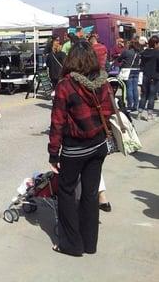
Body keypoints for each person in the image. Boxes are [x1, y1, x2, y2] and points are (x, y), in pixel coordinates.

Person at [48, 41, 115, 256]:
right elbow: (108, 112)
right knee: (90, 192)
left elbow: (57, 121)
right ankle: (89, 243)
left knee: (66, 191)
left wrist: (53, 152)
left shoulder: (66, 85)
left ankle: (71, 244)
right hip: (98, 145)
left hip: (75, 148)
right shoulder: (103, 81)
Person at [138, 35, 159, 120]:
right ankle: (149, 114)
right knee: (151, 95)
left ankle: (139, 113)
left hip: (145, 75)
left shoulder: (144, 52)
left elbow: (141, 65)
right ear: (156, 43)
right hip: (155, 76)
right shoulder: (157, 53)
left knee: (144, 94)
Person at [117, 39, 140, 111]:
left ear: (130, 45)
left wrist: (123, 61)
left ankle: (130, 105)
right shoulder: (139, 53)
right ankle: (136, 105)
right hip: (136, 70)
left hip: (128, 71)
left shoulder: (126, 52)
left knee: (129, 88)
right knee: (135, 88)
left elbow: (119, 60)